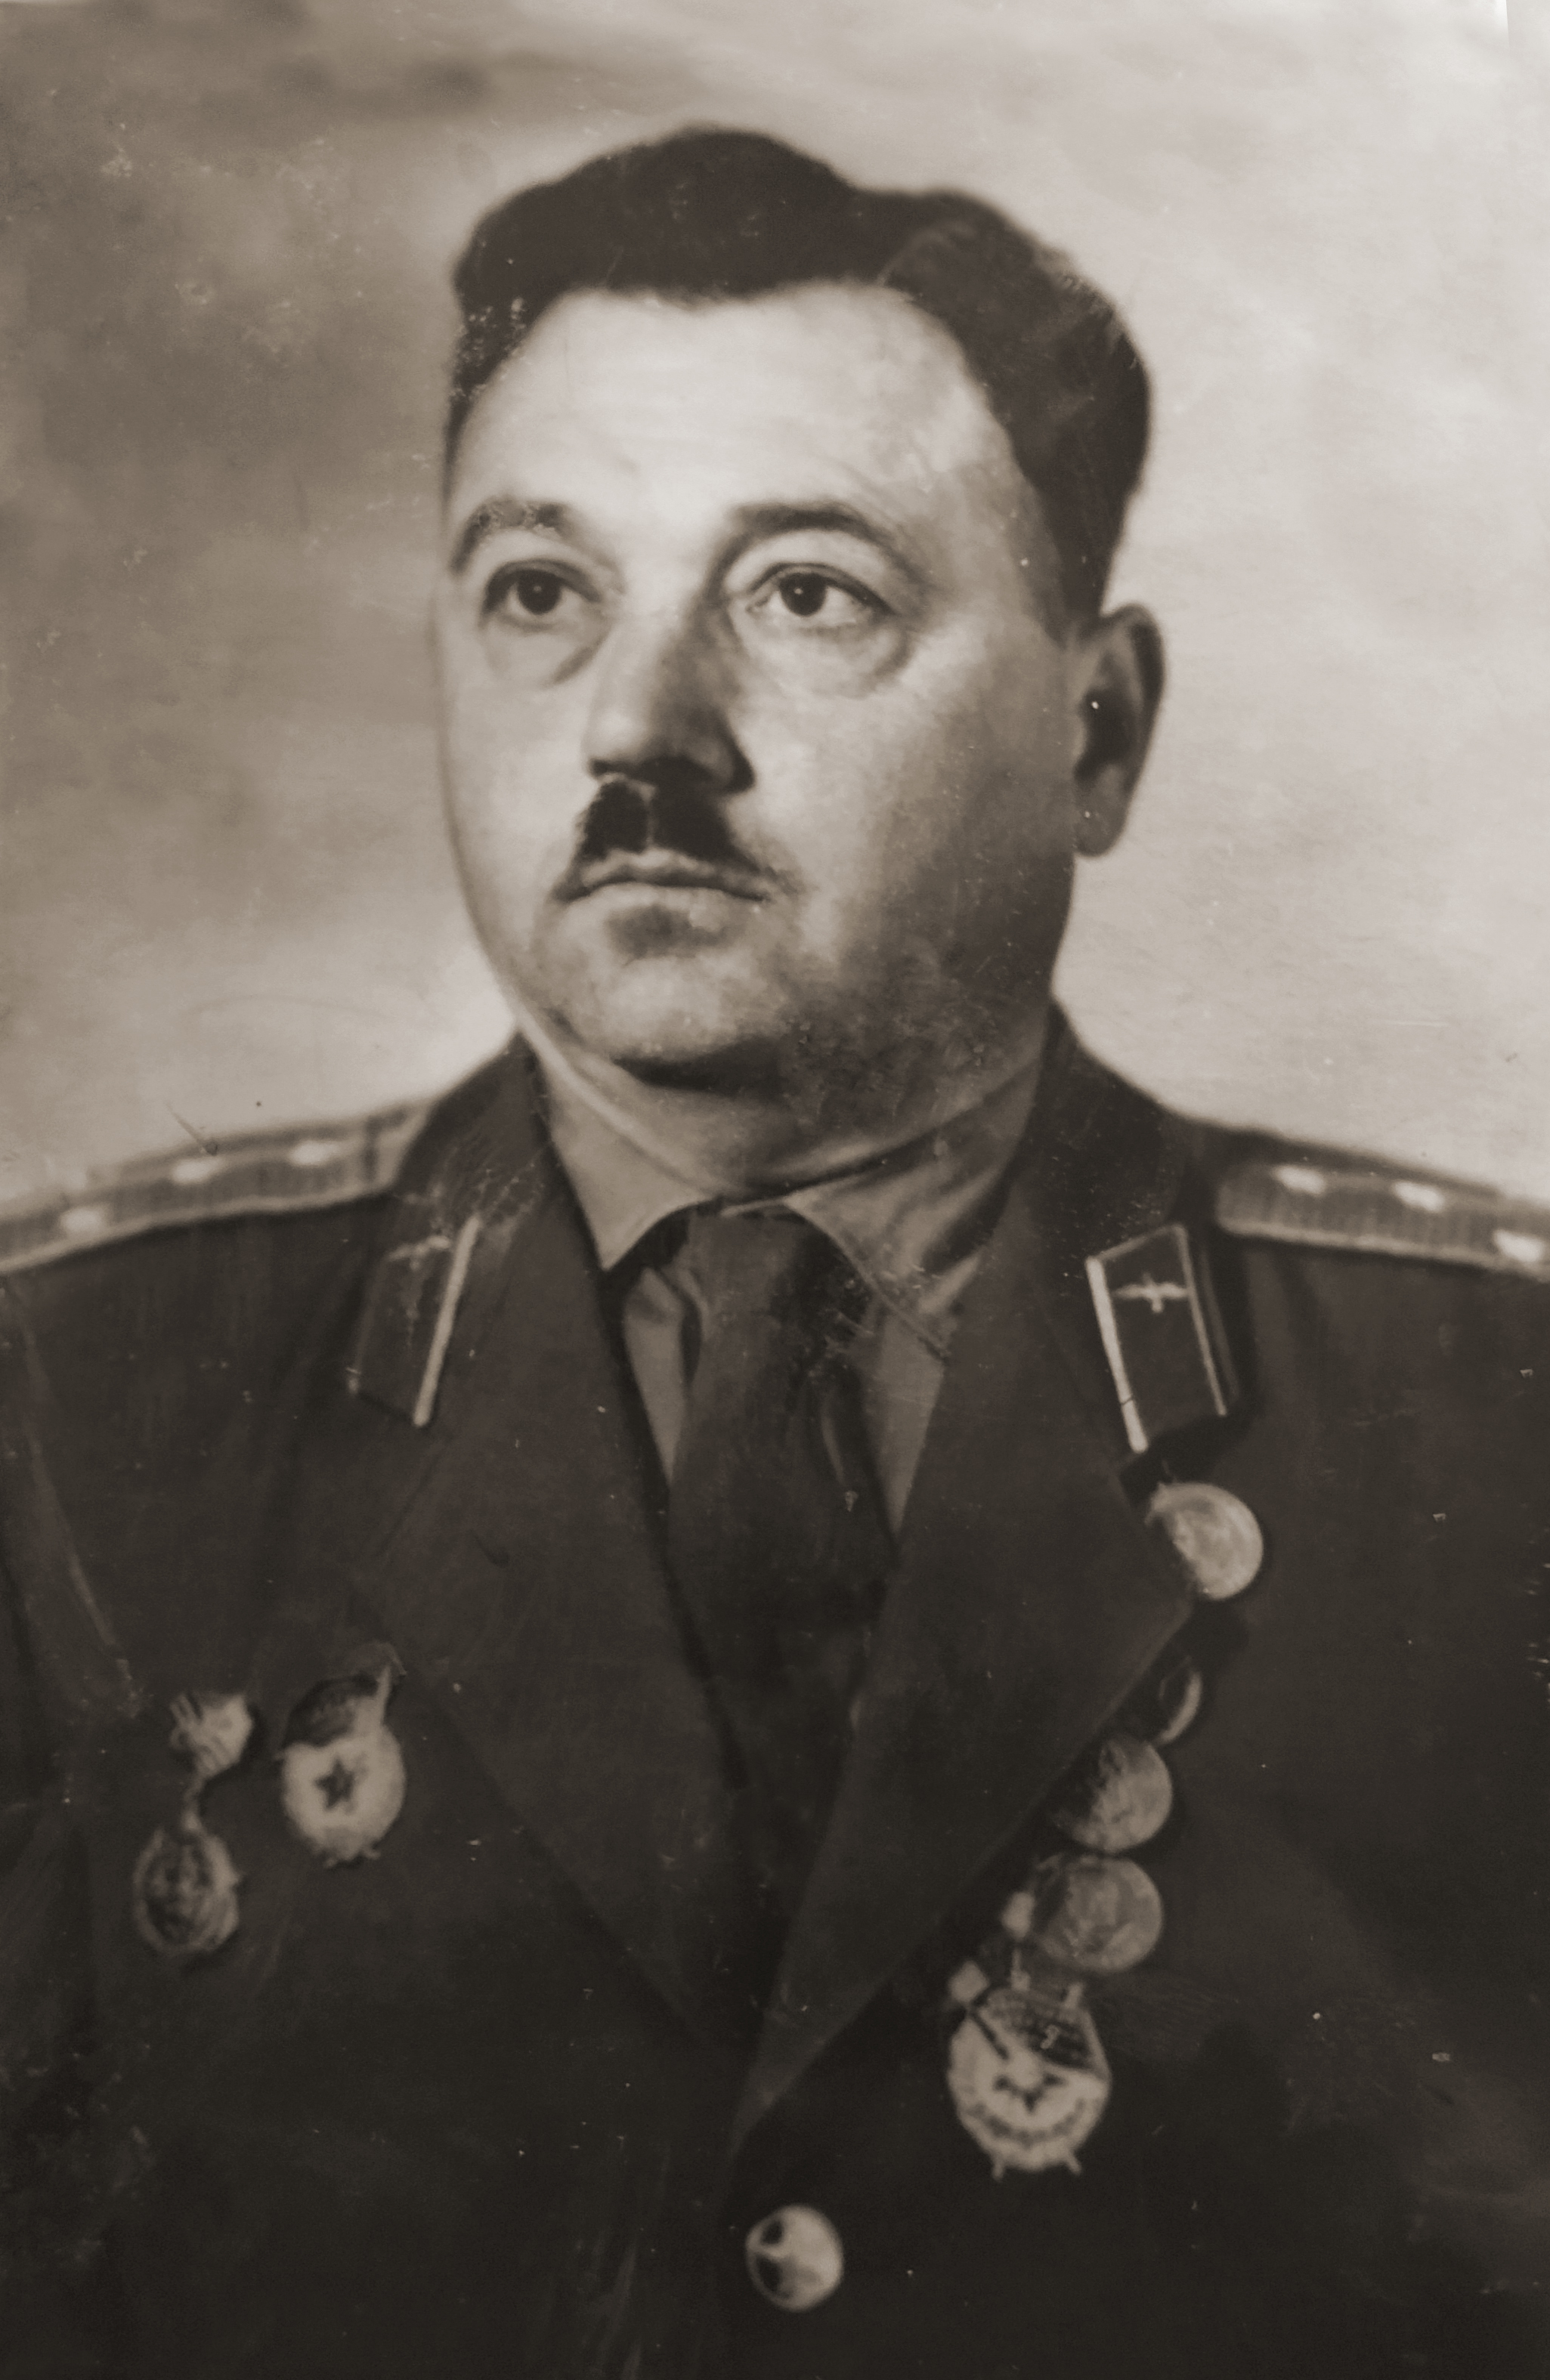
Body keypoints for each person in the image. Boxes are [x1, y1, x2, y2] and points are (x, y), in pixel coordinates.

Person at [0, 126, 1545, 2379]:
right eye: (542, 591)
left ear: (1097, 732)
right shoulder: (75, 1388)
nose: (636, 732)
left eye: (807, 594)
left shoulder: (1497, 1421)